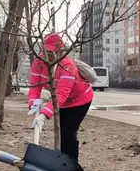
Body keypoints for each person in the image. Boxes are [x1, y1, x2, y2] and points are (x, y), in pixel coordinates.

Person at [28, 33, 94, 161]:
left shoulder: (68, 66)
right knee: (59, 132)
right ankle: (60, 163)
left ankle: (71, 167)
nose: (48, 55)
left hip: (80, 100)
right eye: (45, 51)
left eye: (51, 52)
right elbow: (35, 87)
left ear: (59, 51)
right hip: (61, 102)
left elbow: (61, 94)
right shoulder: (38, 63)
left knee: (68, 133)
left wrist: (44, 114)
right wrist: (33, 104)